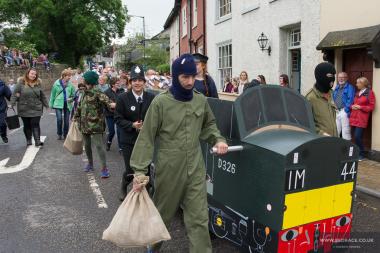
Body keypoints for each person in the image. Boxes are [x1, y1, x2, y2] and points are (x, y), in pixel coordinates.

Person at [130, 54, 228, 253]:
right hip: (169, 169)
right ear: (175, 76)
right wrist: (140, 171)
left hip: (195, 168)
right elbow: (147, 137)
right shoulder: (161, 103)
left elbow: (209, 125)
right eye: (185, 77)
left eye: (193, 76)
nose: (190, 81)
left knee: (199, 219)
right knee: (162, 215)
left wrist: (218, 139)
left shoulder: (200, 101)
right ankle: (153, 247)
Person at [114, 65, 155, 201]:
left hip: (146, 140)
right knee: (131, 169)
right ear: (130, 83)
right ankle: (124, 185)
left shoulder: (151, 98)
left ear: (144, 82)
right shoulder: (122, 98)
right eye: (134, 80)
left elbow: (155, 117)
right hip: (128, 139)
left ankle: (145, 194)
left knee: (146, 168)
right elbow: (118, 118)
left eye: (140, 80)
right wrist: (132, 125)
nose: (137, 83)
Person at [74, 71, 116, 178]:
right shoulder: (83, 92)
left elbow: (108, 103)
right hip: (84, 124)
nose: (82, 79)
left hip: (96, 124)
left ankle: (104, 168)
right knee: (87, 145)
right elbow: (79, 106)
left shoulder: (98, 92)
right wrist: (75, 117)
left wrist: (113, 105)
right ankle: (90, 164)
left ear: (88, 80)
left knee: (98, 146)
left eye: (84, 78)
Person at [11, 68, 49, 146]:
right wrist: (12, 103)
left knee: (35, 123)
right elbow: (15, 94)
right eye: (32, 73)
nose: (33, 75)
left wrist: (46, 105)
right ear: (27, 74)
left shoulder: (38, 83)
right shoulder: (20, 83)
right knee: (27, 125)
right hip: (24, 108)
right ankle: (28, 139)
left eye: (35, 74)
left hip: (36, 107)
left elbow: (42, 95)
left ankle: (37, 141)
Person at [305, 62, 338, 137]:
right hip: (320, 142)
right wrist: (322, 134)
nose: (332, 78)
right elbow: (306, 124)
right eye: (329, 75)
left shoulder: (332, 94)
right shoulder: (310, 97)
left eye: (333, 75)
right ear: (320, 76)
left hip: (333, 139)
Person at [349, 77, 376, 160]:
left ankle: (362, 153)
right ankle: (357, 153)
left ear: (363, 84)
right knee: (354, 137)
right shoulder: (358, 92)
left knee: (357, 136)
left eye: (358, 83)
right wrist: (352, 106)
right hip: (354, 117)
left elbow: (371, 107)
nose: (356, 84)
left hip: (361, 118)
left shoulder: (370, 93)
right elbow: (352, 104)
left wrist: (360, 107)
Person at [49, 69, 76, 140]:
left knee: (67, 121)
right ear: (64, 76)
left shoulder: (71, 85)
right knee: (59, 119)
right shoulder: (56, 84)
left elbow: (74, 95)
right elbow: (53, 94)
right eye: (68, 76)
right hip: (58, 104)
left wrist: (71, 99)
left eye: (70, 76)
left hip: (67, 104)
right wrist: (51, 104)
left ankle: (65, 134)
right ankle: (59, 133)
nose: (70, 77)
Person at [332, 72, 355, 140]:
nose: (341, 79)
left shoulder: (350, 87)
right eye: (339, 77)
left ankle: (348, 148)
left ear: (346, 78)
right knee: (336, 130)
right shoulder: (337, 87)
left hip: (344, 111)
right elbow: (333, 98)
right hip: (336, 111)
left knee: (345, 131)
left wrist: (346, 110)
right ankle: (337, 147)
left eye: (343, 77)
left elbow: (350, 99)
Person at [104, 77, 124, 152]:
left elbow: (124, 102)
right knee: (112, 131)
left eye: (119, 83)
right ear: (112, 84)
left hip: (119, 114)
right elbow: (105, 103)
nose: (119, 84)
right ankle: (109, 142)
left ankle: (121, 148)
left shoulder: (121, 91)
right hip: (110, 114)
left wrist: (116, 105)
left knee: (119, 131)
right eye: (117, 83)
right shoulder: (106, 92)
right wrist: (110, 105)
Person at [0, 79, 12, 143]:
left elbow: (9, 95)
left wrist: (13, 102)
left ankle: (3, 135)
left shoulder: (2, 86)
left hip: (1, 109)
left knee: (2, 124)